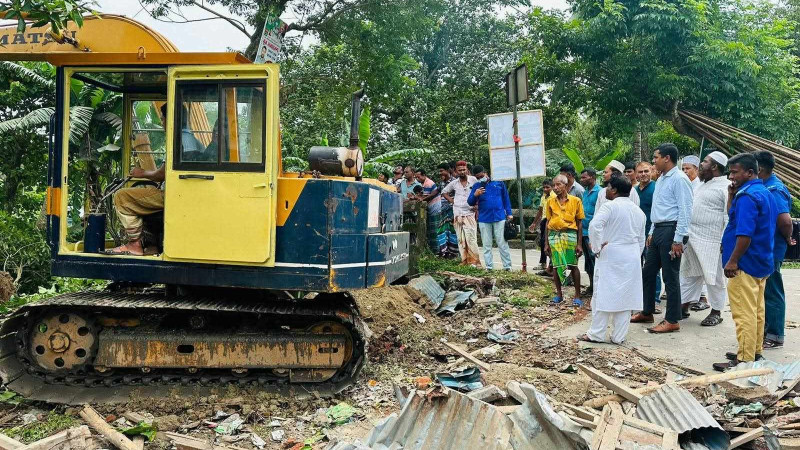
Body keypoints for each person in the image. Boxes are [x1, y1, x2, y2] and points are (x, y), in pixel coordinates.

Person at [713, 153, 777, 371]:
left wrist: (733, 261)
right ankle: (753, 351)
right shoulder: (763, 192)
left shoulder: (748, 197)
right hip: (761, 261)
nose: (731, 176)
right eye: (730, 172)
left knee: (744, 313)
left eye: (735, 172)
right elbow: (735, 218)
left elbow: (744, 234)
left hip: (745, 264)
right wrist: (731, 196)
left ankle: (745, 359)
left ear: (750, 172)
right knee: (757, 310)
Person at [631, 143, 694, 333]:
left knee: (670, 276)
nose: (653, 161)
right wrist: (651, 231)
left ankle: (672, 319)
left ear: (667, 158)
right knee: (648, 272)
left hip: (671, 230)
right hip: (658, 229)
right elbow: (658, 208)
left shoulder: (680, 179)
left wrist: (678, 239)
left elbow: (685, 210)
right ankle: (647, 311)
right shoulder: (661, 179)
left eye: (656, 157)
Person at [580, 176, 646, 344]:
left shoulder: (609, 207)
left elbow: (595, 226)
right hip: (631, 255)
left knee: (602, 294)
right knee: (625, 297)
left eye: (608, 187)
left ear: (614, 190)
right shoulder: (638, 211)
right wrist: (635, 254)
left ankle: (596, 334)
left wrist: (596, 247)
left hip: (611, 253)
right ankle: (619, 336)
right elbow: (641, 239)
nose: (606, 191)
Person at [679, 152, 730, 327]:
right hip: (692, 238)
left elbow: (728, 217)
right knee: (689, 274)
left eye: (705, 161)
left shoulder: (726, 187)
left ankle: (716, 312)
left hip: (713, 242)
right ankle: (683, 306)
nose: (701, 164)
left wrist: (724, 241)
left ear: (715, 166)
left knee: (715, 279)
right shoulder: (700, 185)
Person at [754, 150, 794, 350]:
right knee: (765, 291)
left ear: (759, 169)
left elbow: (785, 221)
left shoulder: (774, 190)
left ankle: (775, 335)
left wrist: (787, 237)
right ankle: (766, 330)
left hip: (772, 248)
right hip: (764, 248)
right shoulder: (764, 186)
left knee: (772, 291)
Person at [544, 174, 585, 306]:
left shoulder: (575, 201)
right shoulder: (550, 201)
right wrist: (546, 243)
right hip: (554, 236)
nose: (555, 188)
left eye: (558, 185)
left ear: (565, 185)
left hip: (570, 235)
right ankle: (559, 294)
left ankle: (577, 295)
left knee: (573, 265)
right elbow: (548, 222)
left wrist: (579, 244)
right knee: (556, 265)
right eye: (554, 185)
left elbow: (579, 223)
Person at [107, 165, 166, 256]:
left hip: (171, 195)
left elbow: (162, 174)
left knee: (122, 196)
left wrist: (142, 173)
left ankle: (135, 244)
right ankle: (152, 246)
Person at [467, 165, 513, 271]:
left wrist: (509, 213)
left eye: (481, 176)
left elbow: (506, 198)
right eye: (477, 177)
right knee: (486, 244)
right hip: (484, 218)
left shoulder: (499, 183)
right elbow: (470, 202)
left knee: (502, 243)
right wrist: (475, 194)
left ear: (485, 172)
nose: (480, 178)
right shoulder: (476, 186)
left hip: (499, 216)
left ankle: (507, 266)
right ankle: (489, 266)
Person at [441, 161, 480, 266]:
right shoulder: (454, 183)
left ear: (467, 169)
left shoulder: (473, 180)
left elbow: (480, 192)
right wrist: (452, 201)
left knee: (471, 238)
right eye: (460, 170)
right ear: (456, 171)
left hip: (469, 213)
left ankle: (475, 262)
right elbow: (444, 192)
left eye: (464, 170)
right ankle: (464, 261)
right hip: (457, 213)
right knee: (460, 239)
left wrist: (477, 205)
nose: (462, 172)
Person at [635, 161, 662, 310]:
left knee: (653, 268)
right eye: (640, 172)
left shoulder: (656, 188)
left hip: (652, 234)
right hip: (636, 235)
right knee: (636, 267)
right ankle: (639, 298)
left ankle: (655, 299)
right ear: (636, 174)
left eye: (646, 171)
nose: (643, 174)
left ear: (651, 172)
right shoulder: (633, 191)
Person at [580, 168, 601, 295]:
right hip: (583, 231)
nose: (581, 180)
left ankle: (598, 288)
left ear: (592, 177)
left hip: (592, 233)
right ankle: (591, 286)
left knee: (594, 260)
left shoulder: (600, 192)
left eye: (584, 177)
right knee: (588, 261)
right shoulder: (585, 192)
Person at [529, 179, 555, 274]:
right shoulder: (543, 197)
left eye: (547, 187)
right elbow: (540, 211)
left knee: (547, 242)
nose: (545, 189)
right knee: (542, 242)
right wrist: (534, 223)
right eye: (544, 187)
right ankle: (543, 263)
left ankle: (552, 264)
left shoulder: (554, 196)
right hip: (544, 221)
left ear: (552, 187)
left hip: (551, 221)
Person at [434, 163, 459, 258]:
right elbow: (436, 192)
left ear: (448, 170)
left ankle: (454, 253)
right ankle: (444, 252)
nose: (440, 173)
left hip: (452, 210)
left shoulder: (455, 181)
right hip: (443, 211)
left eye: (442, 171)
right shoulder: (442, 182)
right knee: (442, 231)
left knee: (453, 231)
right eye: (439, 171)